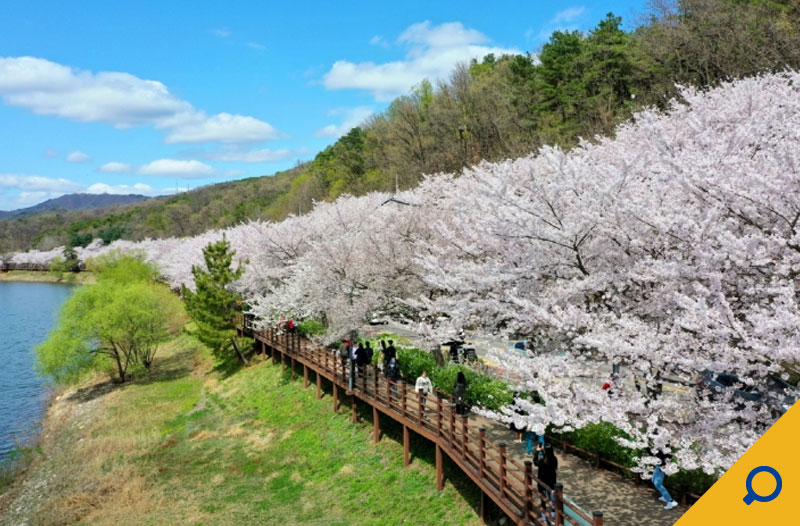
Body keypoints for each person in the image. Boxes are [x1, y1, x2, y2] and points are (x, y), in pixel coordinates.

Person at [533, 443, 558, 520]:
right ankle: (554, 516)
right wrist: (544, 451)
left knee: (543, 500)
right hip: (551, 483)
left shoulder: (542, 461)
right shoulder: (554, 459)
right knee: (552, 500)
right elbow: (554, 466)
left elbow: (535, 462)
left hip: (542, 483)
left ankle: (544, 518)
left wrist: (537, 452)